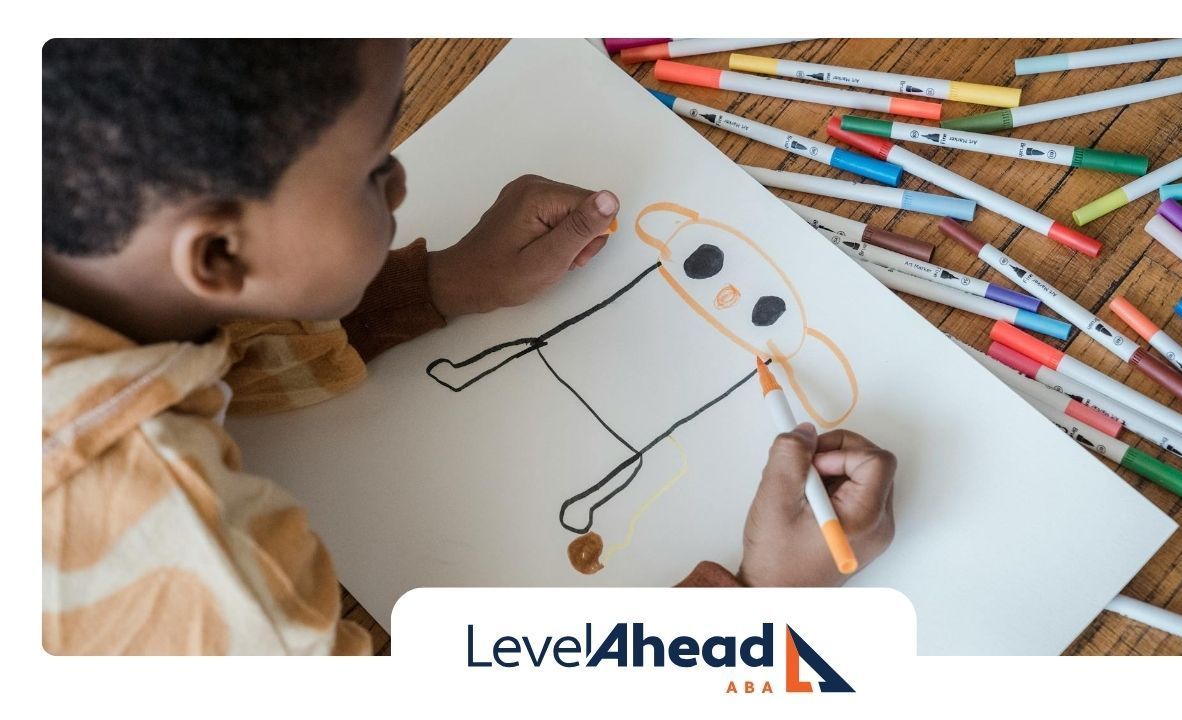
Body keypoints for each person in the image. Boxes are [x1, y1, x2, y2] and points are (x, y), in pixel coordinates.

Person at [42, 38, 896, 655]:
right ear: (222, 256)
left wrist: (429, 288)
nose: (405, 180)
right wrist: (758, 610)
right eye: (376, 167)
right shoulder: (210, 575)